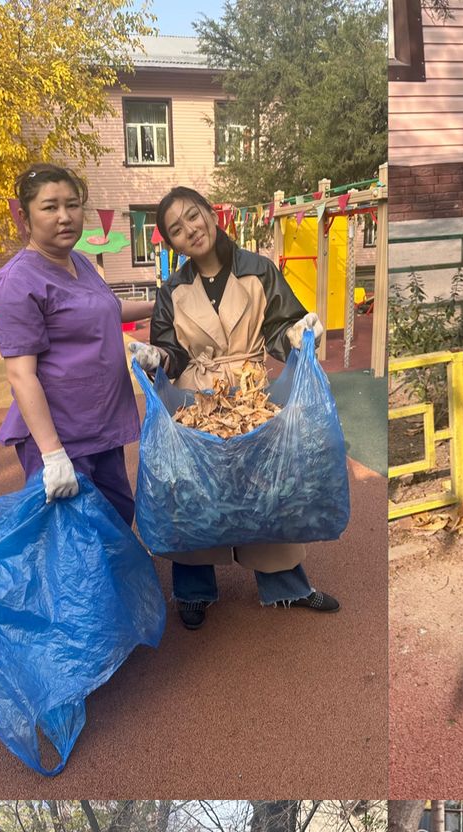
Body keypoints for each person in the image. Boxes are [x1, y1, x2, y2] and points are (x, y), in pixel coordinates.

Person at [131, 186, 339, 629]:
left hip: (251, 393)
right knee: (191, 492)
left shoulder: (258, 270)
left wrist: (303, 333)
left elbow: (283, 326)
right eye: (176, 229)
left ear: (210, 212)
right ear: (172, 244)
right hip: (198, 399)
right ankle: (192, 589)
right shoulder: (173, 289)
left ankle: (287, 587)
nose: (190, 229)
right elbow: (171, 351)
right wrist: (157, 359)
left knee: (268, 487)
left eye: (193, 216)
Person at [0, 164, 155, 526]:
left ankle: (119, 586)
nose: (65, 217)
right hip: (62, 436)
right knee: (73, 544)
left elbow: (107, 308)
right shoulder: (16, 282)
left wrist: (163, 303)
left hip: (102, 426)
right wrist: (52, 454)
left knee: (117, 521)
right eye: (50, 207)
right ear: (23, 216)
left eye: (73, 205)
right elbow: (20, 374)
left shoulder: (79, 261)